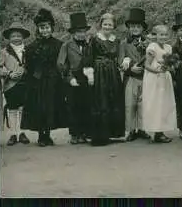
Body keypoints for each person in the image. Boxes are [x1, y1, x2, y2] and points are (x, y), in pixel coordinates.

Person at [21, 9, 67, 146]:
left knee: (51, 106)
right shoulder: (31, 47)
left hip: (53, 80)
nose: (45, 30)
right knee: (39, 106)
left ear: (51, 28)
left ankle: (48, 134)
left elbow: (61, 63)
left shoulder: (59, 45)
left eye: (47, 27)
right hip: (38, 81)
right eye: (42, 28)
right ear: (38, 29)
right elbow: (28, 66)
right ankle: (41, 135)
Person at [82, 13, 125, 146]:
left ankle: (112, 133)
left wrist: (124, 61)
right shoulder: (94, 39)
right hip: (99, 72)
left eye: (110, 25)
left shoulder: (116, 40)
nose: (107, 27)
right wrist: (90, 73)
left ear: (114, 26)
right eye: (105, 24)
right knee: (100, 101)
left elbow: (119, 56)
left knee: (113, 99)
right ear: (101, 25)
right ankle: (99, 136)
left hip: (112, 72)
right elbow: (89, 56)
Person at [57, 12, 92, 145]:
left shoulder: (90, 44)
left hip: (87, 77)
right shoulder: (67, 45)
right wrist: (69, 77)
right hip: (73, 78)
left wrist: (91, 74)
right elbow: (61, 64)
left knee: (86, 105)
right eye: (78, 31)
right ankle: (74, 134)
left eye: (83, 31)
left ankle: (83, 132)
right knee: (73, 106)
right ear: (73, 32)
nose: (81, 34)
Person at [119, 8, 151, 141]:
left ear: (142, 28)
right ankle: (130, 129)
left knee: (143, 103)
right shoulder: (124, 43)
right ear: (129, 28)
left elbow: (151, 58)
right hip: (131, 77)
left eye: (138, 26)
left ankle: (142, 128)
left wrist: (146, 67)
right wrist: (130, 69)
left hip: (145, 76)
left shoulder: (148, 43)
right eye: (132, 26)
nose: (135, 29)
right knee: (130, 104)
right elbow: (120, 61)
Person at [142, 25, 177, 143]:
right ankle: (157, 132)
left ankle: (161, 131)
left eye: (166, 34)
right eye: (161, 34)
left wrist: (170, 68)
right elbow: (146, 65)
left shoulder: (168, 47)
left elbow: (169, 64)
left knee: (164, 104)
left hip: (165, 78)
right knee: (156, 104)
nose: (163, 37)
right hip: (154, 79)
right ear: (155, 36)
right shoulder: (152, 47)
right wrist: (158, 71)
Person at [0, 22, 31, 146]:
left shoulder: (28, 49)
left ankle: (22, 132)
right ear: (9, 38)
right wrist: (9, 73)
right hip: (11, 85)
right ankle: (13, 134)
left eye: (19, 35)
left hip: (25, 83)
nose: (16, 38)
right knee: (12, 108)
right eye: (13, 36)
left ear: (23, 37)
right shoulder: (4, 51)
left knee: (23, 108)